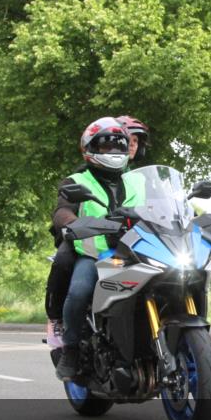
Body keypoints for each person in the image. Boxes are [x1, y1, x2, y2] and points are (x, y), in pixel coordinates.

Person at [44, 116, 150, 349]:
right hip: (96, 254)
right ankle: (70, 348)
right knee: (79, 291)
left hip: (136, 253)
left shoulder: (139, 181)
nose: (114, 150)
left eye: (119, 145)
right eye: (106, 145)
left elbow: (163, 205)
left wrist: (186, 215)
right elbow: (62, 210)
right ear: (90, 148)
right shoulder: (77, 181)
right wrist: (72, 223)